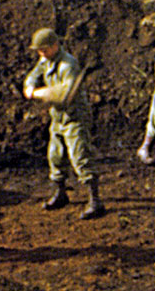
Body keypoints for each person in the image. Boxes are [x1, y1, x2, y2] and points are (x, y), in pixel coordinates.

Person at [23, 28, 104, 220]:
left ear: (54, 46)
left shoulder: (68, 65)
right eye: (38, 51)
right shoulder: (46, 59)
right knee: (55, 155)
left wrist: (35, 93)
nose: (40, 54)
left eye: (43, 50)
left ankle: (95, 200)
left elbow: (64, 94)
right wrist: (30, 85)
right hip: (58, 116)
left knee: (80, 156)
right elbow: (34, 75)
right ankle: (60, 193)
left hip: (74, 116)